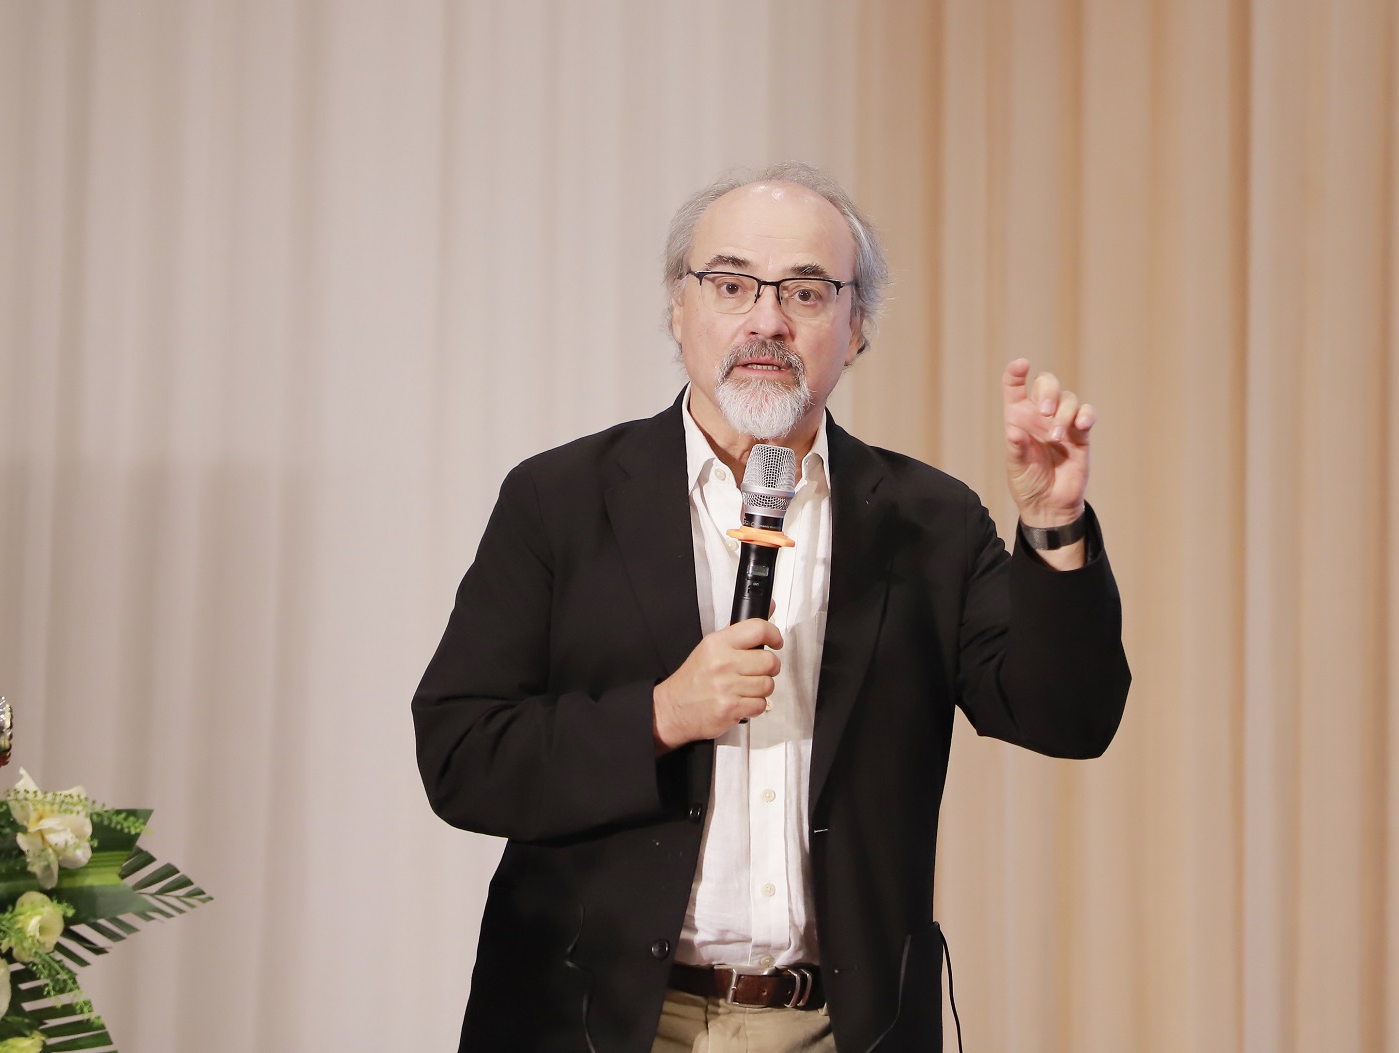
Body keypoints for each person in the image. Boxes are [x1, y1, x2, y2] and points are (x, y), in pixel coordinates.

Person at [412, 161, 1130, 1053]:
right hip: (596, 1020)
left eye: (806, 291)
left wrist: (1054, 526)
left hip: (836, 1027)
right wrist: (660, 715)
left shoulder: (927, 521)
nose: (766, 320)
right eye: (731, 284)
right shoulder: (559, 499)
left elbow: (1068, 717)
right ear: (679, 310)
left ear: (856, 328)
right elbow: (461, 754)